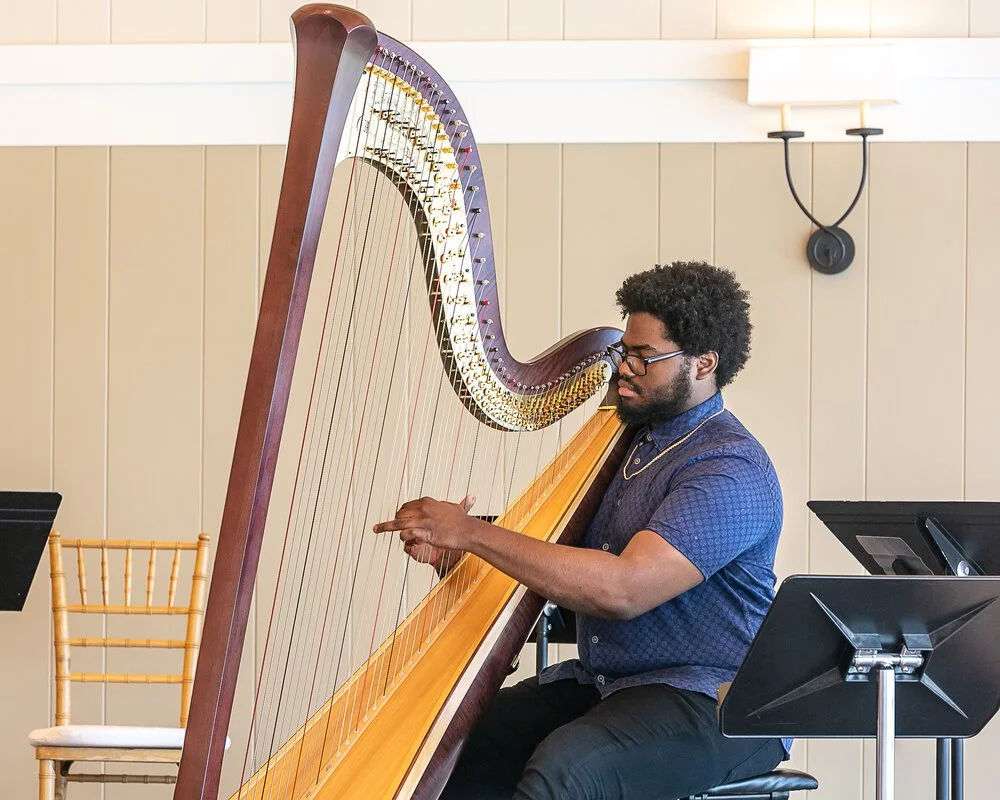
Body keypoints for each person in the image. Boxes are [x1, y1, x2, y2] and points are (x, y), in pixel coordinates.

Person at [373, 261, 787, 800]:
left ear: (704, 364)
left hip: (712, 699)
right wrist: (457, 550)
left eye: (644, 357)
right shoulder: (626, 446)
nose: (624, 369)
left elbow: (622, 589)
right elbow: (562, 566)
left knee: (567, 772)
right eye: (624, 352)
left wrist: (472, 533)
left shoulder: (728, 468)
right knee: (447, 747)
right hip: (610, 686)